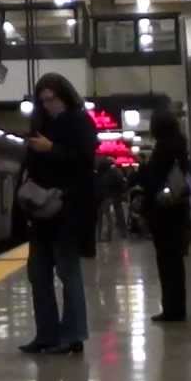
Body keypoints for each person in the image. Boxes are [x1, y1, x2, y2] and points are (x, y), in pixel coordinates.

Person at [19, 72, 99, 356]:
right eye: (43, 101)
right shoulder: (41, 124)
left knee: (68, 273)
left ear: (64, 96)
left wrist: (51, 148)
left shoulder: (79, 122)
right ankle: (46, 334)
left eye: (51, 99)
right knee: (37, 274)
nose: (48, 105)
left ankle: (73, 335)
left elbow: (84, 161)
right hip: (41, 211)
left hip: (67, 210)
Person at [133, 110, 191, 323]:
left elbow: (153, 180)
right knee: (175, 261)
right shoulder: (180, 145)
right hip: (178, 208)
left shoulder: (163, 149)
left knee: (167, 261)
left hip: (164, 212)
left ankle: (172, 309)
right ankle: (177, 307)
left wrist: (142, 173)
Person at [94, 157, 127, 243]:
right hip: (111, 196)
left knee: (100, 218)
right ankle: (111, 235)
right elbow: (121, 182)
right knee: (111, 216)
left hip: (101, 197)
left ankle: (98, 237)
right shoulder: (114, 172)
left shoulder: (99, 173)